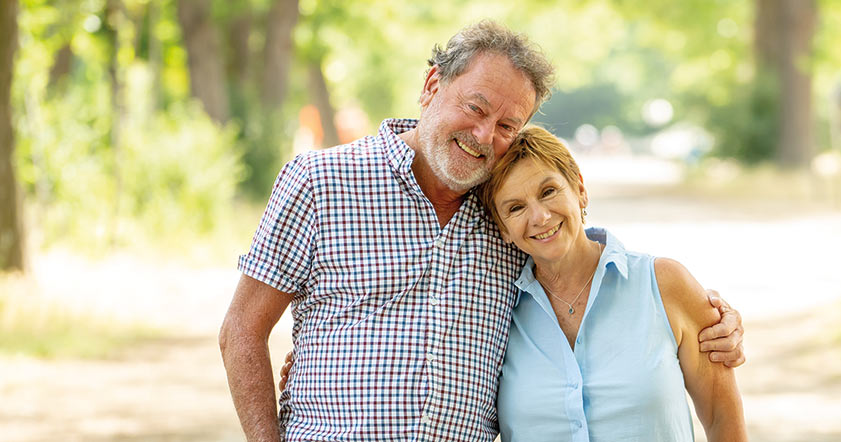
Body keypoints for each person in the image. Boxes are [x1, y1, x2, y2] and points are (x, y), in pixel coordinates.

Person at [220, 20, 745, 442]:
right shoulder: (320, 180)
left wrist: (710, 315)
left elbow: (579, 258)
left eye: (506, 125)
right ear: (431, 86)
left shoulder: (502, 214)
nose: (483, 135)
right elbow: (242, 330)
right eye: (475, 108)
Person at [477, 126, 746, 441]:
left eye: (548, 191)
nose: (540, 216)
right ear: (503, 228)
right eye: (516, 208)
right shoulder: (497, 312)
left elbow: (721, 416)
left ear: (580, 190)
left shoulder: (663, 284)